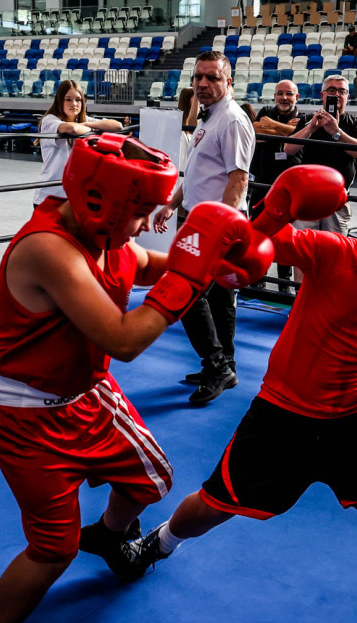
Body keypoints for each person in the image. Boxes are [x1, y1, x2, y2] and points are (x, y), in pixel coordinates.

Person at [0, 133, 273, 623]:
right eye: (142, 212)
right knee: (52, 549)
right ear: (104, 201)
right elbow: (125, 339)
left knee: (151, 479)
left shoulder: (105, 234)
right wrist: (194, 275)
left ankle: (105, 535)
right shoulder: (49, 249)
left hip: (85, 391)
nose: (146, 222)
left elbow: (155, 264)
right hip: (24, 413)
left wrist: (226, 253)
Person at [122, 186, 357, 623]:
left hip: (356, 420)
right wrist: (276, 206)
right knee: (216, 504)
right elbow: (251, 242)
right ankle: (157, 545)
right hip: (282, 415)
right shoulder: (333, 252)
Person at [152, 52, 256, 405]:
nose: (202, 83)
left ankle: (217, 366)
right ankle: (225, 365)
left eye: (211, 77)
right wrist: (172, 203)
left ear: (229, 82)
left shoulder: (232, 121)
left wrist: (220, 230)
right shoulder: (208, 118)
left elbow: (237, 180)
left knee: (186, 293)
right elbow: (197, 171)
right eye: (198, 77)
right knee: (219, 299)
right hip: (200, 220)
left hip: (216, 227)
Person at [284, 74, 357, 240]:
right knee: (303, 247)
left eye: (341, 91)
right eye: (331, 90)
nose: (336, 95)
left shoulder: (355, 121)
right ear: (322, 95)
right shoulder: (308, 119)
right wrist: (311, 129)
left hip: (337, 196)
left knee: (334, 247)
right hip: (308, 193)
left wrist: (336, 132)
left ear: (347, 97)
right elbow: (289, 149)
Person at [33, 80, 123, 207]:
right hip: (50, 195)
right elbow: (72, 129)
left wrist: (86, 124)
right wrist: (91, 127)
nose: (74, 104)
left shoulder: (83, 120)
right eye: (68, 99)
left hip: (74, 196)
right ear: (60, 101)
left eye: (78, 99)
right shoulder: (50, 120)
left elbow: (117, 126)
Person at [251, 80, 302, 294]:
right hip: (262, 182)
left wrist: (273, 127)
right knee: (258, 231)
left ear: (296, 97)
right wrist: (287, 131)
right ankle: (256, 276)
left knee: (285, 234)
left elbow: (297, 136)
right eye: (280, 93)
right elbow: (255, 132)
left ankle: (284, 283)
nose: (284, 97)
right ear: (274, 96)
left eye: (289, 94)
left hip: (288, 186)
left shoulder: (305, 118)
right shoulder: (264, 110)